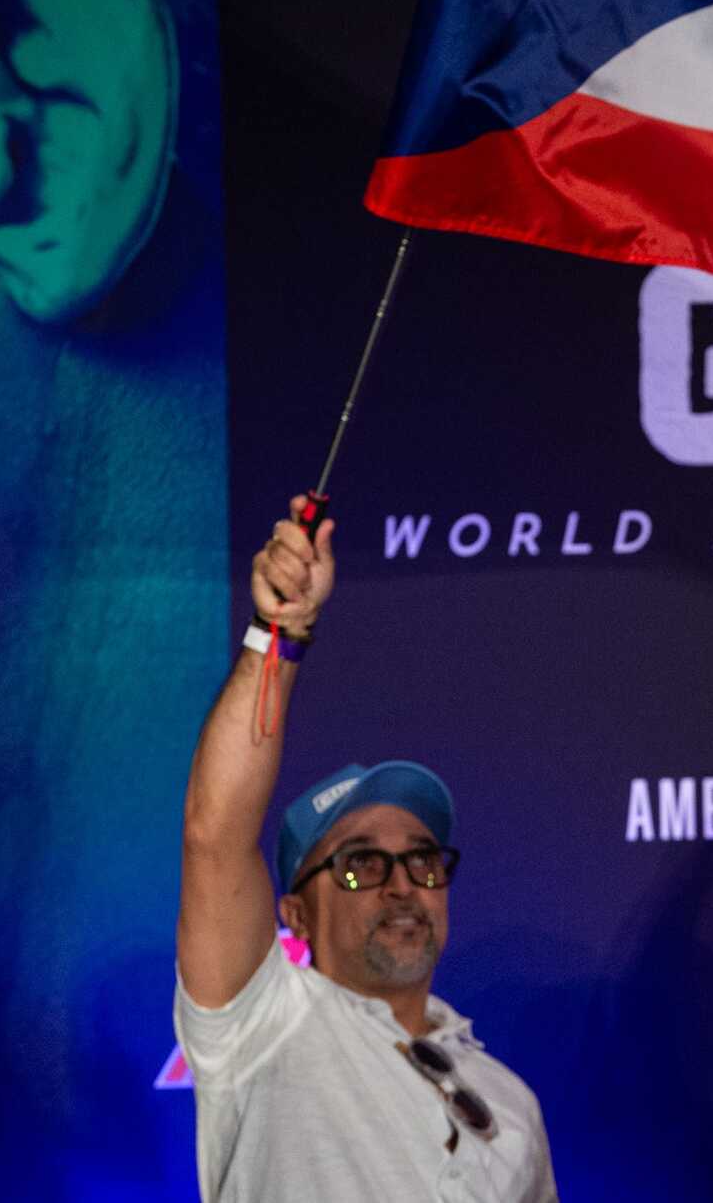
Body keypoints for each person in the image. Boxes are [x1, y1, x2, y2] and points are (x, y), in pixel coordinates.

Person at [175, 499, 557, 1201]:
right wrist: (278, 635)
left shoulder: (512, 1107)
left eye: (422, 859)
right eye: (360, 865)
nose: (402, 885)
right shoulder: (265, 1027)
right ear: (294, 911)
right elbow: (216, 832)